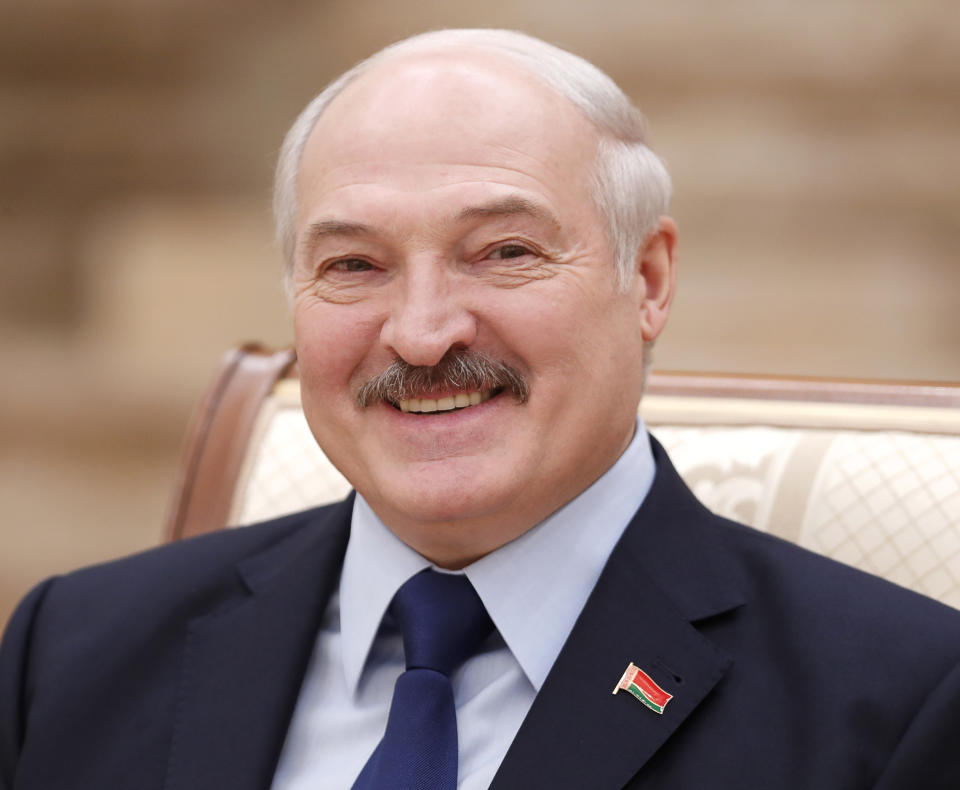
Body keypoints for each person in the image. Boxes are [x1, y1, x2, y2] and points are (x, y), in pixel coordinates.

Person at [1, 29, 959, 790]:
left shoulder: (898, 705)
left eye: (504, 252)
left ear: (649, 277)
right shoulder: (73, 652)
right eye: (354, 266)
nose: (420, 334)